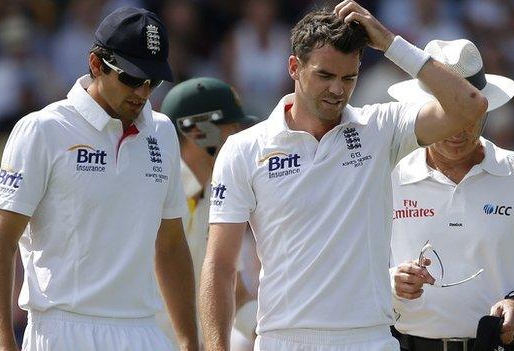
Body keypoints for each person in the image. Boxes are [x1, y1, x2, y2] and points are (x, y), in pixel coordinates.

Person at [199, 0, 489, 350]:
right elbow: (220, 265)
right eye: (325, 75)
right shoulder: (244, 148)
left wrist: (389, 43)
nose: (337, 89)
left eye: (348, 78)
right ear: (294, 66)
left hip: (369, 339)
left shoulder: (381, 126)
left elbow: (470, 104)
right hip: (283, 339)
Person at [0, 7, 198, 351]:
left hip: (143, 331)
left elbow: (170, 244)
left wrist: (189, 342)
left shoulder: (163, 132)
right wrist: (1, 342)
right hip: (63, 330)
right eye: (130, 78)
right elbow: (0, 241)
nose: (142, 93)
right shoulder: (43, 129)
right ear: (96, 64)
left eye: (151, 81)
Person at [389, 38, 514, 351]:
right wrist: (391, 284)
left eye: (468, 114)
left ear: (486, 110)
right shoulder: (392, 175)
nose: (459, 129)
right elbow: (357, 273)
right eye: (446, 112)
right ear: (424, 112)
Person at [158, 77, 261, 351]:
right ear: (196, 132)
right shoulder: (151, 189)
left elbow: (234, 292)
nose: (240, 137)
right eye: (231, 126)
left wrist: (267, 334)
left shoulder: (220, 195)